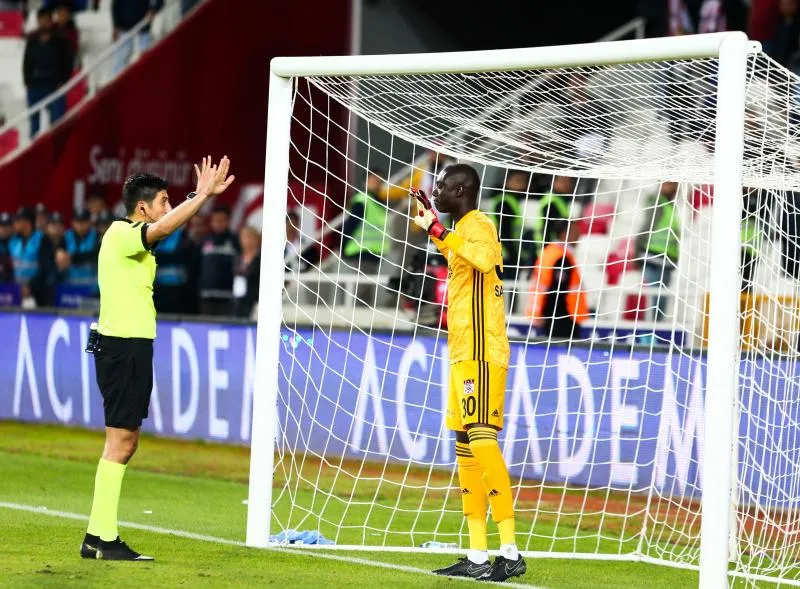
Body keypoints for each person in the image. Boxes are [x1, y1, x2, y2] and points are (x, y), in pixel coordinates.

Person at [81, 156, 234, 561]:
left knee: (123, 441)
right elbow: (165, 226)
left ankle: (97, 537)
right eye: (164, 200)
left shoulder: (130, 237)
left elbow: (165, 226)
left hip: (126, 346)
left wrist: (194, 199)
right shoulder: (120, 233)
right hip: (123, 346)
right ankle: (104, 539)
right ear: (143, 208)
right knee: (121, 442)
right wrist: (201, 195)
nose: (168, 208)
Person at [411, 164, 526, 582]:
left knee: (481, 441)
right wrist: (434, 229)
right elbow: (461, 257)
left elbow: (479, 257)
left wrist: (440, 232)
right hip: (462, 352)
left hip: (482, 350)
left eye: (441, 186)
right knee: (464, 446)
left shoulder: (481, 225)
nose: (435, 190)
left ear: (460, 189)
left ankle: (509, 550)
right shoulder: (462, 229)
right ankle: (478, 555)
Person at [527, 218, 589, 341]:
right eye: (575, 231)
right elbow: (557, 292)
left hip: (548, 316)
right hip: (562, 319)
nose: (579, 235)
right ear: (564, 234)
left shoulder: (549, 252)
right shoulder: (562, 258)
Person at [23, 6, 73, 137]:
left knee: (58, 125)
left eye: (46, 20)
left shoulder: (60, 40)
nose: (43, 22)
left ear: (51, 21)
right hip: (35, 86)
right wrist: (27, 82)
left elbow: (68, 62)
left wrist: (63, 81)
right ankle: (35, 151)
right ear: (38, 21)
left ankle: (58, 152)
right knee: (34, 126)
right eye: (41, 20)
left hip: (54, 86)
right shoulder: (32, 40)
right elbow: (26, 62)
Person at [636, 181, 681, 321]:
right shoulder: (658, 203)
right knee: (655, 298)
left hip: (666, 261)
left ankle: (655, 326)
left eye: (673, 184)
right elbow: (646, 226)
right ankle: (650, 329)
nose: (670, 187)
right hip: (653, 258)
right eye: (667, 184)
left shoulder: (671, 206)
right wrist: (636, 252)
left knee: (660, 298)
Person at [484, 170, 532, 282]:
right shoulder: (505, 202)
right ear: (506, 182)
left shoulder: (510, 201)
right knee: (507, 291)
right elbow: (505, 232)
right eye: (517, 181)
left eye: (523, 181)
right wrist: (515, 257)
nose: (521, 185)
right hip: (505, 256)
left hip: (504, 254)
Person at [342, 167, 389, 273]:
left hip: (373, 255)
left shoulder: (379, 204)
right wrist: (342, 247)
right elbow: (350, 225)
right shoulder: (362, 201)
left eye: (379, 181)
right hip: (360, 254)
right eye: (373, 180)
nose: (377, 184)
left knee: (367, 288)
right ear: (365, 182)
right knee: (360, 288)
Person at [198, 204, 238, 315]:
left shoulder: (235, 240)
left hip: (227, 295)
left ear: (227, 221)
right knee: (206, 328)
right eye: (215, 220)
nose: (217, 224)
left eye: (221, 220)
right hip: (206, 295)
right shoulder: (204, 239)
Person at [9, 206, 53, 306]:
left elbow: (45, 269)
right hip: (16, 292)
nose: (14, 224)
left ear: (27, 223)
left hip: (38, 295)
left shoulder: (43, 240)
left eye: (17, 221)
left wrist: (30, 287)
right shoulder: (14, 241)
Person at [111, 0, 163, 76]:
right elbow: (115, 5)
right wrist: (115, 26)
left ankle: (145, 83)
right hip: (125, 27)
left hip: (143, 26)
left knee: (145, 60)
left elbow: (160, 2)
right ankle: (117, 84)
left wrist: (154, 9)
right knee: (120, 61)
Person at [63, 208, 99, 290]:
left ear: (89, 222)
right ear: (72, 222)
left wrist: (72, 258)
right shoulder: (66, 237)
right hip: (70, 286)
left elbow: (96, 255)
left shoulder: (96, 236)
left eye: (84, 222)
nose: (81, 225)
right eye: (78, 222)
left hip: (91, 288)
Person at [232, 226, 260, 318]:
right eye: (244, 237)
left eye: (250, 237)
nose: (247, 241)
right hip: (237, 299)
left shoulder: (260, 259)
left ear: (256, 240)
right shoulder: (237, 257)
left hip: (254, 301)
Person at [0, 211, 14, 283]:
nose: (4, 229)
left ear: (12, 227)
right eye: (1, 226)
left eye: (7, 226)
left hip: (16, 283)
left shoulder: (17, 243)